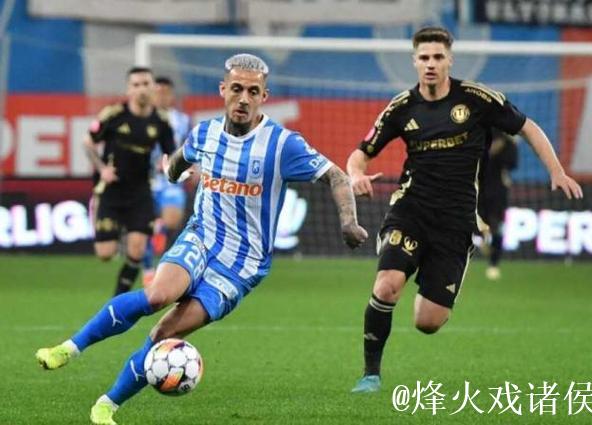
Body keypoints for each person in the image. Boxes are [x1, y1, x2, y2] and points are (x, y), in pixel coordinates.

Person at [36, 53, 368, 425]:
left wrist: (349, 222)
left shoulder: (282, 144)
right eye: (237, 89)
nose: (244, 98)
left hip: (241, 265)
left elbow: (336, 176)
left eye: (253, 92)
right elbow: (177, 162)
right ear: (223, 90)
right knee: (157, 296)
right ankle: (69, 348)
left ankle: (106, 406)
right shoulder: (205, 133)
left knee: (164, 332)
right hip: (201, 237)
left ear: (264, 97)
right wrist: (173, 171)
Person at [347, 26, 583, 393]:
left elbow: (528, 127)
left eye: (438, 57)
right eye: (424, 57)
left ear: (450, 60)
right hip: (410, 211)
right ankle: (370, 375)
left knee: (428, 321)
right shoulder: (401, 107)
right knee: (388, 285)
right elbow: (360, 153)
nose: (430, 64)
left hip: (455, 222)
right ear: (414, 61)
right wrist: (355, 175)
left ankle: (435, 286)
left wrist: (556, 170)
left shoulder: (477, 99)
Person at [85, 66, 175, 296]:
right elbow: (88, 142)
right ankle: (100, 212)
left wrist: (165, 165)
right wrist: (102, 169)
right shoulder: (113, 115)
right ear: (129, 89)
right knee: (105, 253)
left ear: (153, 88)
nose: (141, 89)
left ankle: (116, 301)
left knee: (137, 250)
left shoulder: (161, 121)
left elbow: (170, 153)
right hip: (111, 190)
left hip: (140, 191)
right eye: (136, 85)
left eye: (146, 84)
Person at [142, 76, 193, 284]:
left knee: (172, 220)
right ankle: (148, 268)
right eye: (158, 92)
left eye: (165, 92)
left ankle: (160, 233)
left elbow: (189, 147)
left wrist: (193, 167)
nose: (161, 96)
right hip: (144, 179)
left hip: (170, 179)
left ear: (172, 96)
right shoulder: (142, 117)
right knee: (143, 224)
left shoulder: (183, 120)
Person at [479, 129, 519, 280]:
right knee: (475, 221)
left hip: (498, 190)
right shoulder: (479, 134)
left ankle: (493, 264)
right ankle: (481, 240)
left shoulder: (508, 141)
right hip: (477, 187)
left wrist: (506, 146)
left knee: (497, 226)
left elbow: (512, 164)